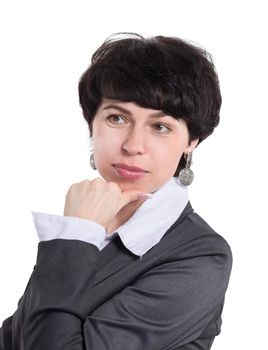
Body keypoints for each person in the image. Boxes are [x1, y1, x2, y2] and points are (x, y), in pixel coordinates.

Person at [0, 32, 232, 350]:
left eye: (160, 126)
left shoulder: (201, 256)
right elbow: (16, 337)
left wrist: (76, 236)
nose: (133, 145)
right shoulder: (95, 221)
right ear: (91, 125)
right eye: (117, 118)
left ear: (191, 141)